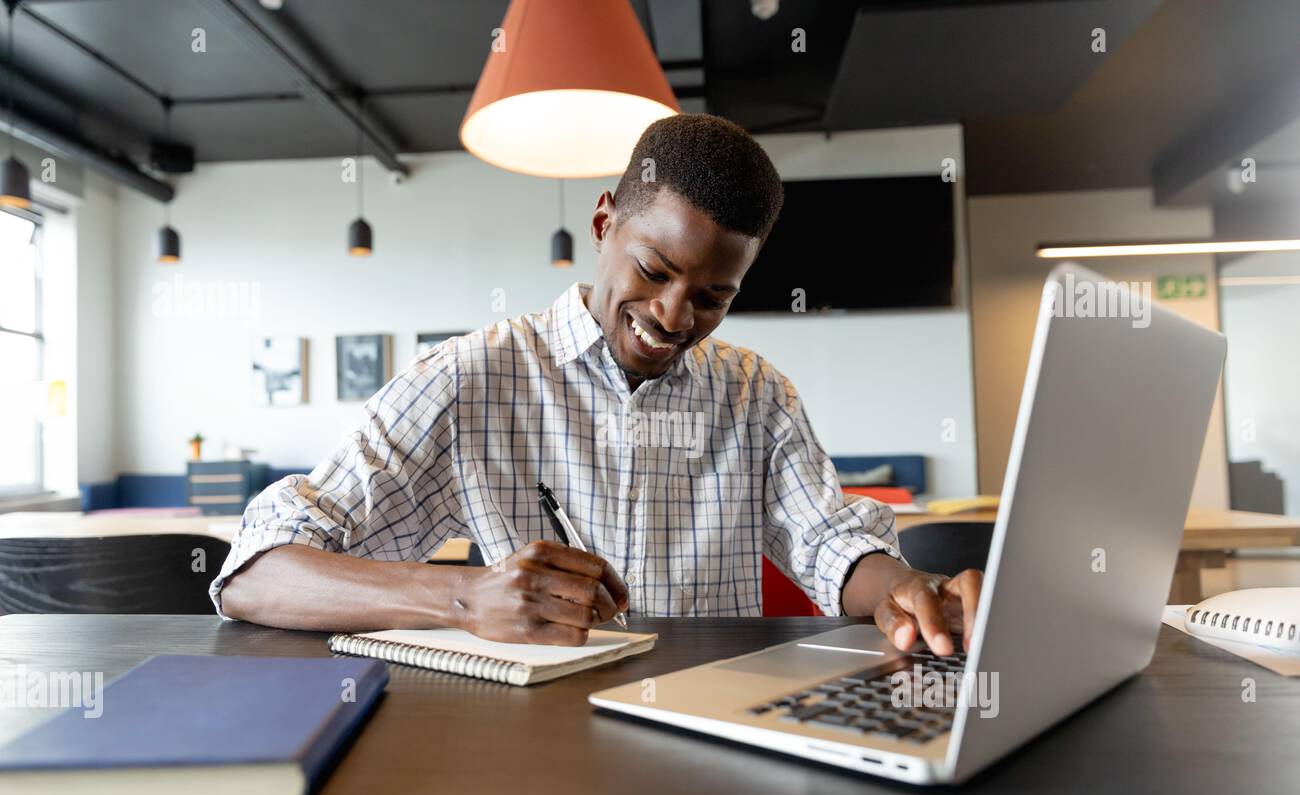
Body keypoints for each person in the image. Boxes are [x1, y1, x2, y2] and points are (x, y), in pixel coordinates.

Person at [214, 113, 982, 655]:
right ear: (604, 221)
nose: (673, 316)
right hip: (532, 750)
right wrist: (462, 597)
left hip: (716, 734)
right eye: (654, 270)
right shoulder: (470, 380)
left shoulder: (757, 396)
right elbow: (257, 572)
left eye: (713, 297)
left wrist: (907, 589)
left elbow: (832, 544)